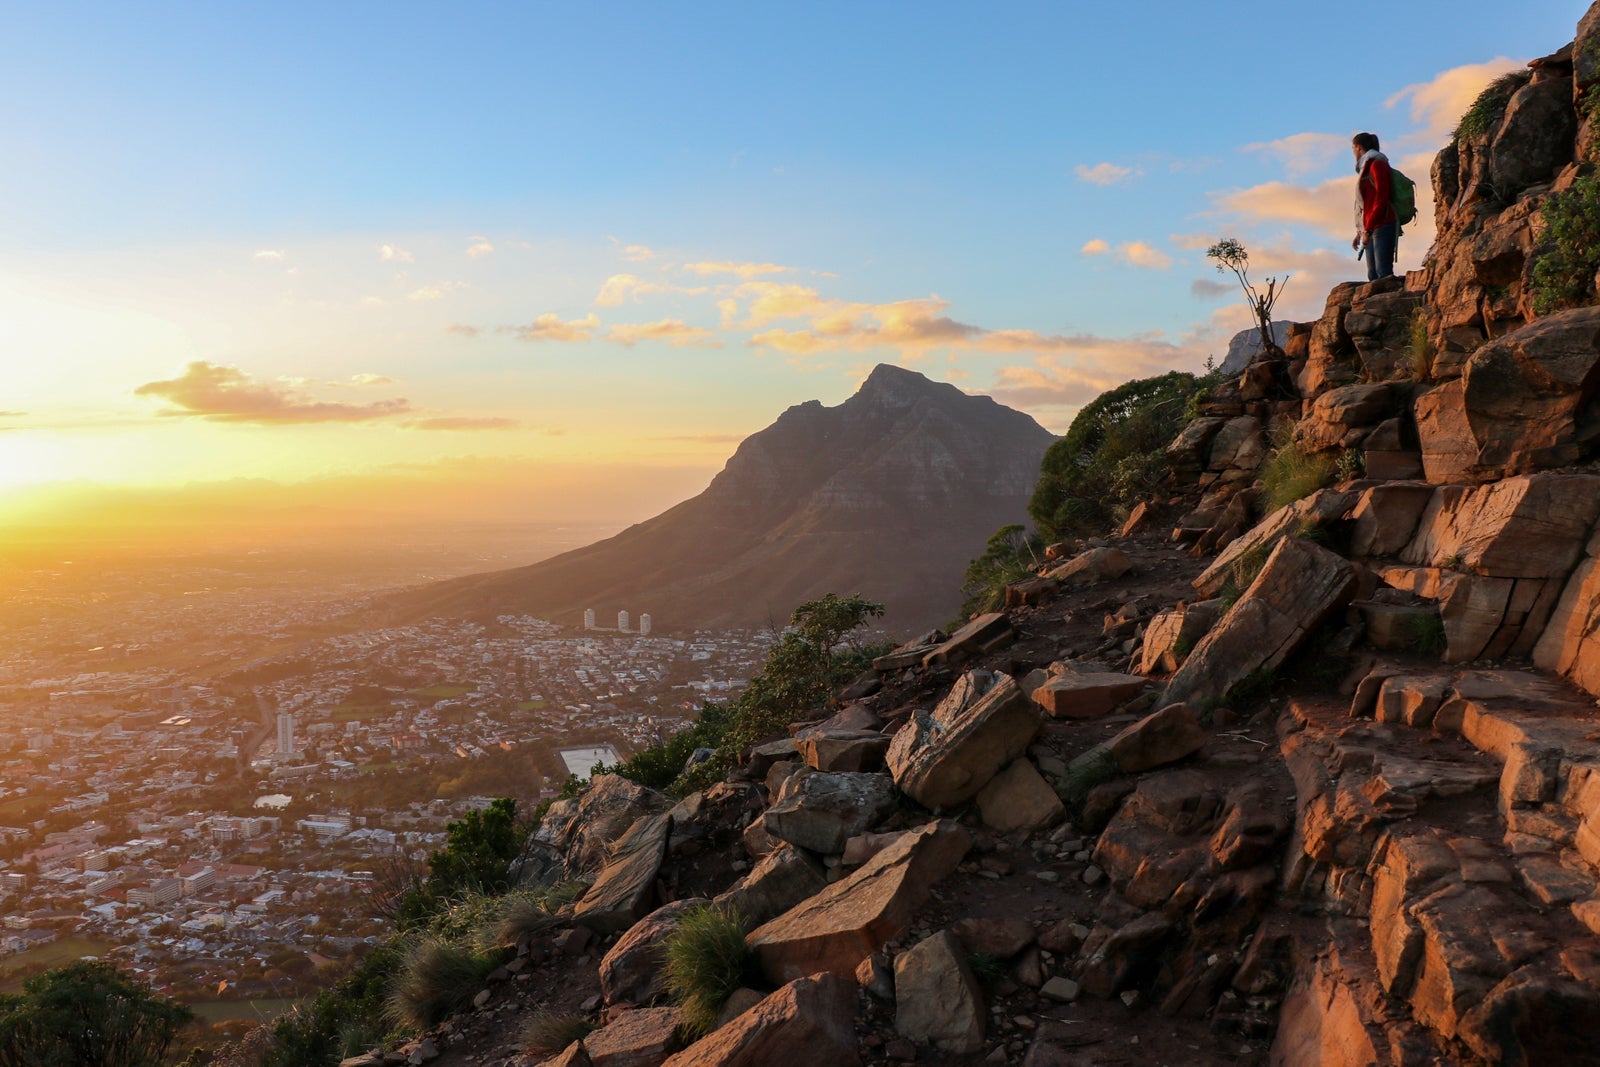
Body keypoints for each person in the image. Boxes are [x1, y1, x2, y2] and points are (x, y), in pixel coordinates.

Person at [1351, 132, 1396, 282]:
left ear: (1358, 147)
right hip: (1371, 226)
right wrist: (1361, 231)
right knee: (1373, 275)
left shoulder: (1377, 165)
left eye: (1353, 149)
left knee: (1382, 273)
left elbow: (1382, 198)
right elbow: (1365, 204)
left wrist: (1368, 228)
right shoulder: (1365, 169)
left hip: (1382, 223)